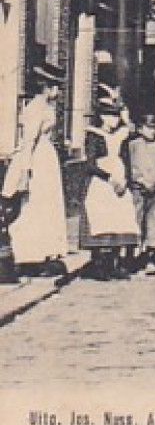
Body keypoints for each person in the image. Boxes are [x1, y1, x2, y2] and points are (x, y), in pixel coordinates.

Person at [5, 61, 68, 276]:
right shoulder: (35, 109)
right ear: (47, 87)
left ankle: (44, 253)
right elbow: (29, 141)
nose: (58, 92)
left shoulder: (46, 107)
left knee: (47, 206)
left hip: (46, 160)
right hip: (37, 161)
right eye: (55, 87)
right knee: (35, 206)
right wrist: (24, 172)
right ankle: (30, 255)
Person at [81, 92, 139, 280]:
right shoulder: (94, 136)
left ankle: (114, 263)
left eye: (116, 116)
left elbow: (126, 159)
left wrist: (126, 180)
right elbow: (90, 164)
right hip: (102, 182)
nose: (114, 120)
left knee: (119, 219)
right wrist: (109, 177)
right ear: (102, 117)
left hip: (119, 180)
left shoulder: (121, 136)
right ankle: (99, 264)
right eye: (110, 116)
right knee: (101, 217)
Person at [128, 113, 155, 275]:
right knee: (136, 220)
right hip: (139, 188)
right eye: (148, 128)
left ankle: (151, 259)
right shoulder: (134, 145)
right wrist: (140, 180)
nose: (152, 131)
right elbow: (130, 166)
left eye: (154, 128)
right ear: (140, 128)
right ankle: (132, 257)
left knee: (154, 222)